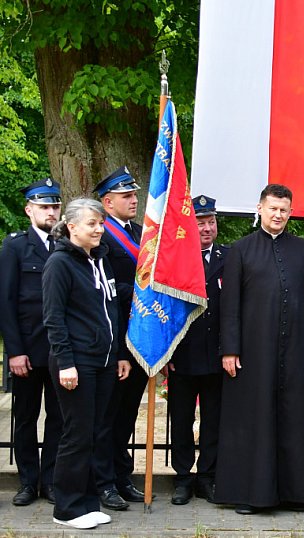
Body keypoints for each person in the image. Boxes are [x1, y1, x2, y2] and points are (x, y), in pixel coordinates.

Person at [215, 184, 304, 514]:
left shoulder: (302, 249)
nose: (278, 215)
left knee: (292, 417)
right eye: (273, 208)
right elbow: (229, 305)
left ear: (290, 212)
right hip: (252, 351)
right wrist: (229, 349)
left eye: (284, 210)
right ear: (259, 208)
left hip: (293, 350)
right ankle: (250, 494)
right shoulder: (241, 250)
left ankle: (291, 492)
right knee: (254, 419)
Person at [42, 198, 131, 529]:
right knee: (77, 435)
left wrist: (120, 354)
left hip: (105, 361)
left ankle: (87, 502)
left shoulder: (101, 259)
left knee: (96, 432)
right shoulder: (60, 264)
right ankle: (66, 508)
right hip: (76, 362)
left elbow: (111, 306)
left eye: (101, 223)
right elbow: (53, 318)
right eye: (92, 224)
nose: (99, 229)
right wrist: (66, 362)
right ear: (72, 227)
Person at [0, 178, 64, 506]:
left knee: (58, 418)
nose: (51, 212)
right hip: (27, 351)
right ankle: (27, 481)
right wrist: (15, 351)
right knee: (25, 418)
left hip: (60, 352)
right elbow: (7, 303)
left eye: (55, 206)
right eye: (44, 206)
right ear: (29, 210)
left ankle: (50, 481)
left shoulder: (68, 245)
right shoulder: (14, 246)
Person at [92, 166, 148, 510]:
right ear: (107, 202)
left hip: (141, 335)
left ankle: (121, 474)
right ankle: (103, 482)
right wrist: (141, 293)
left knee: (127, 414)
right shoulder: (101, 236)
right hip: (114, 338)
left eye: (134, 195)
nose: (134, 200)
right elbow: (105, 289)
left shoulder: (143, 233)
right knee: (106, 416)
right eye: (127, 196)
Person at [167, 195, 228, 505]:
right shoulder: (175, 259)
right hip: (183, 356)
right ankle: (182, 478)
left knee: (213, 420)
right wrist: (168, 354)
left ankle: (207, 476)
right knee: (181, 419)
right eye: (200, 222)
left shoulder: (228, 258)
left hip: (216, 355)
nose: (206, 228)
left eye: (210, 222)